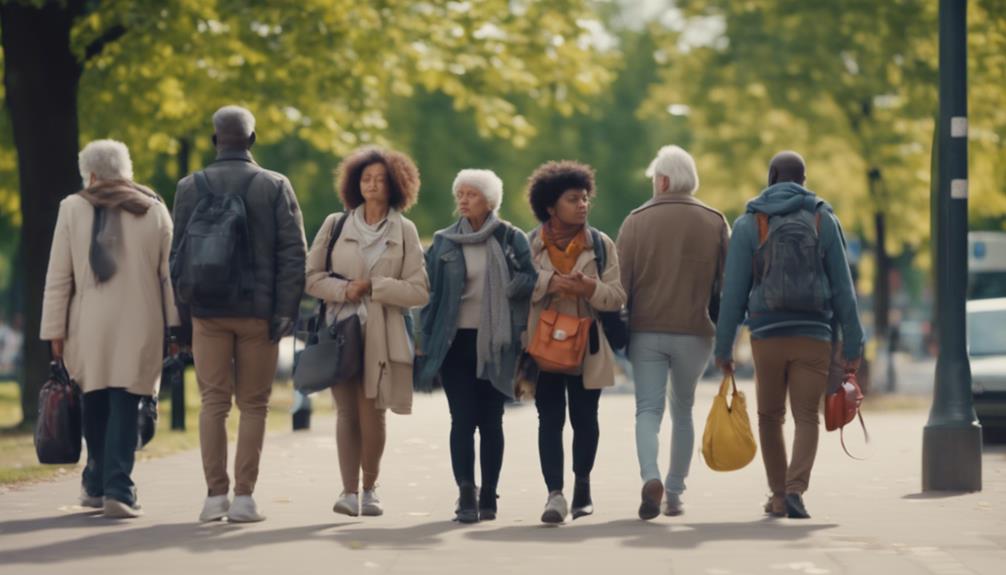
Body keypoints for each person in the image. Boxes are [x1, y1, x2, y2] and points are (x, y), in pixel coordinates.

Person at [171, 106, 307, 523]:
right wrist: (285, 312)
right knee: (254, 405)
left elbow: (176, 257)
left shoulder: (189, 187)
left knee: (213, 403)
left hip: (207, 313)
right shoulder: (274, 185)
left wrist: (182, 316)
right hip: (258, 315)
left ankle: (215, 498)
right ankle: (245, 498)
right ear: (252, 140)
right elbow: (293, 254)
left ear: (215, 141)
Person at [714, 151, 864, 519]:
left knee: (770, 417)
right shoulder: (822, 219)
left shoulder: (750, 224)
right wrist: (854, 341)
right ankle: (797, 488)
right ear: (804, 180)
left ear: (771, 177)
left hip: (767, 335)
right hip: (814, 334)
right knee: (806, 417)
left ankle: (779, 495)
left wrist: (724, 346)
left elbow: (732, 293)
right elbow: (844, 288)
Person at [41, 139, 180, 518]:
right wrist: (174, 329)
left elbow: (58, 275)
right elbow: (170, 276)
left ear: (92, 173)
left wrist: (54, 330)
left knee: (93, 398)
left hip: (87, 324)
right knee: (126, 399)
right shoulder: (153, 209)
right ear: (127, 170)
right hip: (143, 321)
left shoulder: (72, 208)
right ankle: (117, 487)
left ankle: (97, 483)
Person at [305, 146, 429, 517]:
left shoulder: (405, 230)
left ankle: (370, 488)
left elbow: (419, 291)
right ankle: (347, 492)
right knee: (346, 413)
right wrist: (345, 290)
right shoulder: (335, 224)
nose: (372, 185)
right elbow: (311, 279)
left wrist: (376, 287)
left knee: (372, 411)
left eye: (380, 179)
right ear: (354, 183)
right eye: (365, 178)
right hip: (339, 329)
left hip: (383, 332)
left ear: (395, 186)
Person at [616, 145, 729, 519]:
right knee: (684, 411)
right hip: (695, 332)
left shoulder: (635, 221)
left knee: (647, 410)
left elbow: (621, 287)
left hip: (646, 331)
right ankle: (675, 493)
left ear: (663, 180)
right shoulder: (714, 221)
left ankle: (651, 477)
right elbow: (724, 286)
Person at [416, 169, 536, 523]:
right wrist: (422, 339)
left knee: (492, 421)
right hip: (454, 342)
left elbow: (531, 278)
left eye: (471, 194)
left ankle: (489, 495)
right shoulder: (442, 242)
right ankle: (466, 491)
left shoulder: (511, 238)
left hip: (497, 342)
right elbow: (428, 294)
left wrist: (509, 288)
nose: (463, 200)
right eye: (461, 194)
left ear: (490, 200)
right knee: (462, 420)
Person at [525, 160, 626, 524]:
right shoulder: (529, 245)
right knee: (549, 419)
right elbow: (515, 290)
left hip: (588, 346)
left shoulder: (601, 244)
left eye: (585, 198)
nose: (582, 204)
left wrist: (589, 288)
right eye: (573, 199)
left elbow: (616, 296)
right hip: (543, 345)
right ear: (551, 206)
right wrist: (549, 283)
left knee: (585, 418)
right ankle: (555, 495)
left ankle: (582, 486)